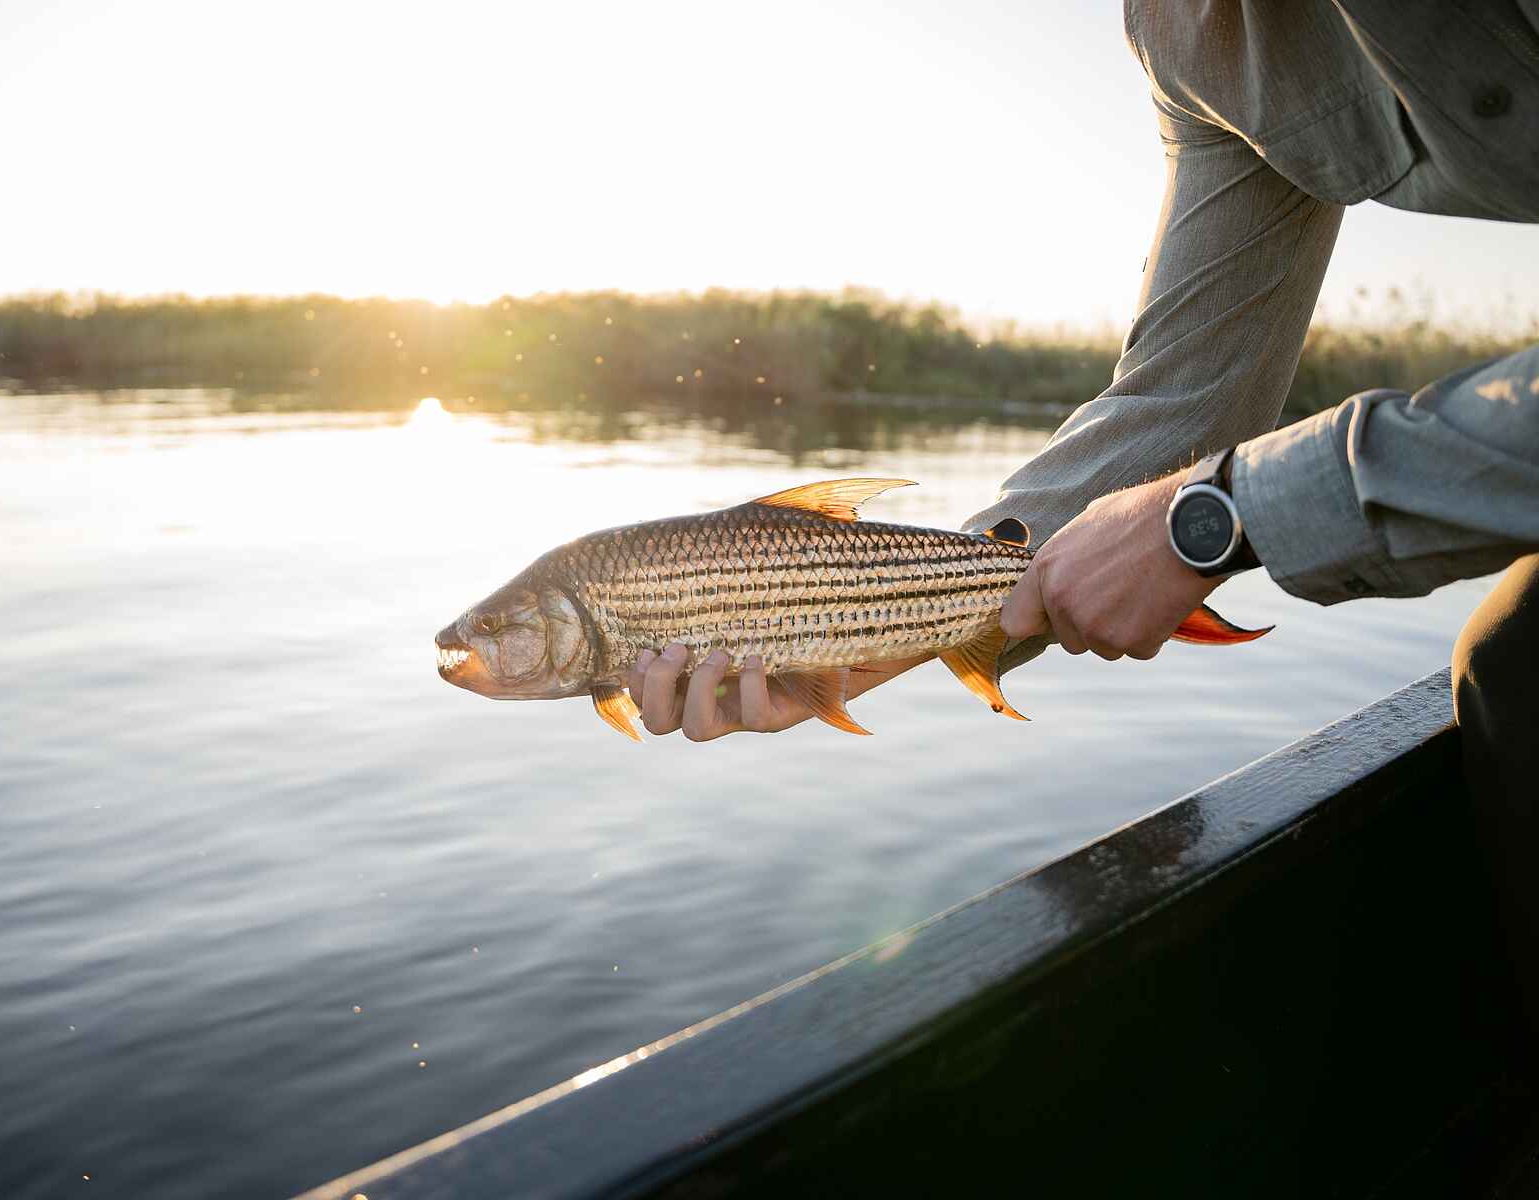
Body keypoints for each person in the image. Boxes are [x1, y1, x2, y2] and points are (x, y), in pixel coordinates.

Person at [632, 0, 1539, 1024]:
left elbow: (1202, 487)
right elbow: (1179, 398)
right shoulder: (1186, 40)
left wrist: (1220, 515)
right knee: (1514, 673)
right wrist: (871, 631)